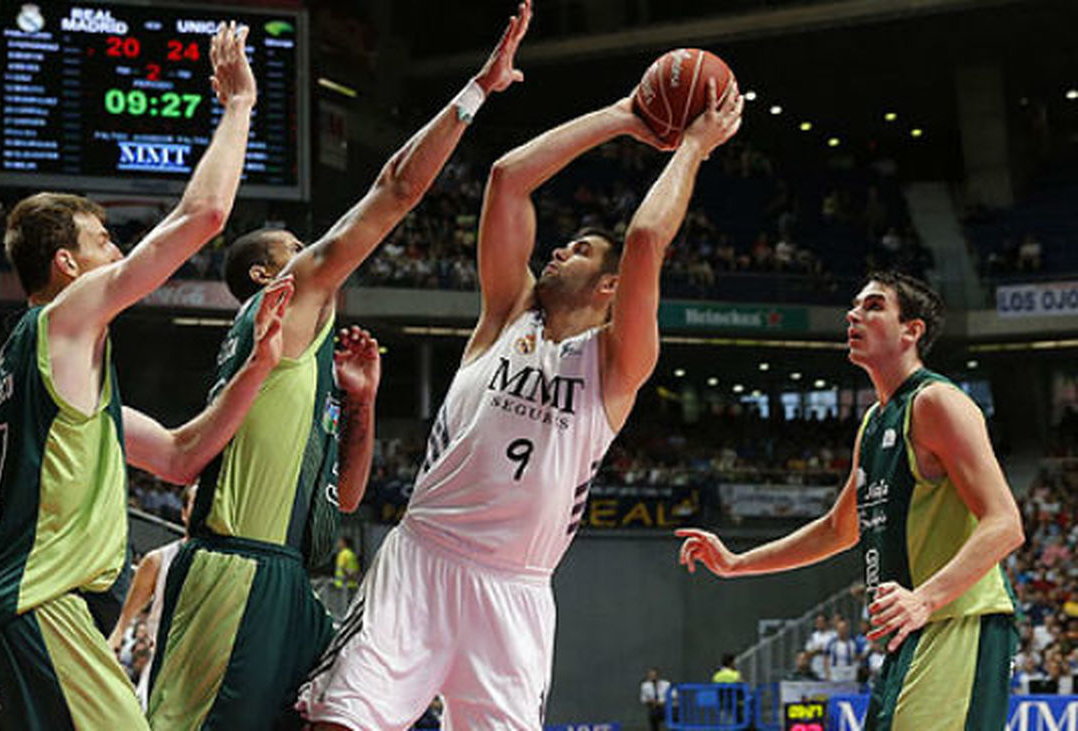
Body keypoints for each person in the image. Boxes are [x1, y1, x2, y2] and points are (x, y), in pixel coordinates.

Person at [299, 49, 744, 731]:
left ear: (609, 287)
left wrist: (693, 147)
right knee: (335, 722)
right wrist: (625, 115)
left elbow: (649, 239)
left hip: (514, 590)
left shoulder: (616, 363)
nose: (560, 249)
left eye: (582, 250)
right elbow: (508, 180)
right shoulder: (508, 313)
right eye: (564, 244)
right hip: (422, 558)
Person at [144, 6, 535, 729]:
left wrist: (360, 404)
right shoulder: (286, 302)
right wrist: (477, 90)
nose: (321, 254)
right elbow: (396, 189)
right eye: (300, 246)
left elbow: (347, 498)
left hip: (289, 578)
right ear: (269, 273)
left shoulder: (301, 355)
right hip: (237, 570)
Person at [0, 24, 290, 730]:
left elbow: (182, 457)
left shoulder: (52, 385)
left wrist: (255, 371)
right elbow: (204, 215)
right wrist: (239, 107)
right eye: (104, 241)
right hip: (28, 609)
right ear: (66, 266)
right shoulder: (63, 319)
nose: (120, 251)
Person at [677, 271, 1024, 730]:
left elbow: (1005, 524)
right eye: (856, 305)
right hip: (914, 628)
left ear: (911, 331)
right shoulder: (876, 422)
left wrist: (924, 599)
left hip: (959, 620)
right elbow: (839, 529)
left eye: (874, 306)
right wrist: (737, 563)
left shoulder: (937, 402)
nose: (854, 313)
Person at [107, 483, 197, 710]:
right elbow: (123, 623)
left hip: (201, 668)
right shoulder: (158, 560)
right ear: (184, 512)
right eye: (197, 504)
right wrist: (114, 646)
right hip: (161, 664)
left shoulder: (225, 566)